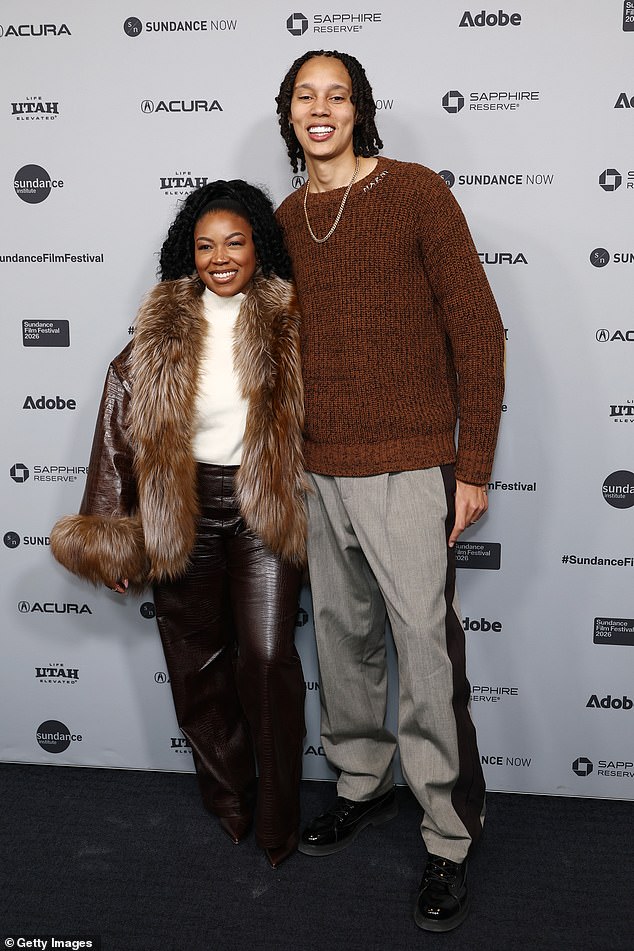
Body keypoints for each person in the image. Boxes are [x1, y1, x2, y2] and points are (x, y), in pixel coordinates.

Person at [275, 51, 506, 929]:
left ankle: (448, 834)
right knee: (341, 642)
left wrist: (473, 463)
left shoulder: (413, 191)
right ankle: (362, 782)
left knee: (425, 652)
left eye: (337, 95)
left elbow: (477, 326)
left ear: (359, 110)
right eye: (306, 96)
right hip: (316, 468)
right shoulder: (283, 218)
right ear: (289, 114)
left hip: (409, 462)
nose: (321, 108)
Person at [50, 180, 308, 868]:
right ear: (188, 254)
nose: (220, 258)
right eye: (205, 246)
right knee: (196, 666)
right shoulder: (162, 326)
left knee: (266, 657)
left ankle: (280, 811)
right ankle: (229, 795)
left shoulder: (290, 318)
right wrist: (115, 535)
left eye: (234, 242)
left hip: (262, 509)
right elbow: (118, 423)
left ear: (258, 246)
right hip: (182, 509)